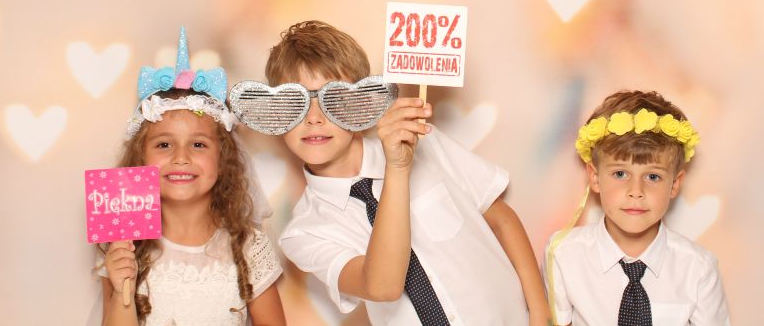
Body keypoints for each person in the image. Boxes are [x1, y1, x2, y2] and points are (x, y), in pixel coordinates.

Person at [256, 20, 549, 325]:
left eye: (333, 99)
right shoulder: (304, 232)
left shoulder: (426, 142)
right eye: (296, 103)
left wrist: (540, 313)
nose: (313, 118)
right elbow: (382, 286)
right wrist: (397, 168)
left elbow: (502, 221)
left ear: (364, 103)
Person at [96, 28, 286, 326]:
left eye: (198, 144)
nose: (181, 157)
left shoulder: (249, 247)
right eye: (164, 145)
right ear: (140, 157)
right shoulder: (124, 244)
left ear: (223, 158)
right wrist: (122, 289)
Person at [545, 90, 729, 326]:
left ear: (674, 184)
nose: (636, 190)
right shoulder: (563, 254)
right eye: (620, 174)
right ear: (595, 177)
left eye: (652, 176)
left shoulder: (698, 269)